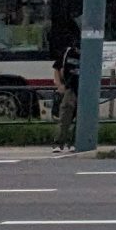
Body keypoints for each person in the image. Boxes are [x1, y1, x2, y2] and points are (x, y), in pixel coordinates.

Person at [49, 15, 81, 152]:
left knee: (81, 117)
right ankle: (59, 142)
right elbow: (57, 68)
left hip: (84, 89)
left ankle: (75, 142)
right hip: (70, 87)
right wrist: (59, 85)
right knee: (65, 116)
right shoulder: (67, 52)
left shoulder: (90, 51)